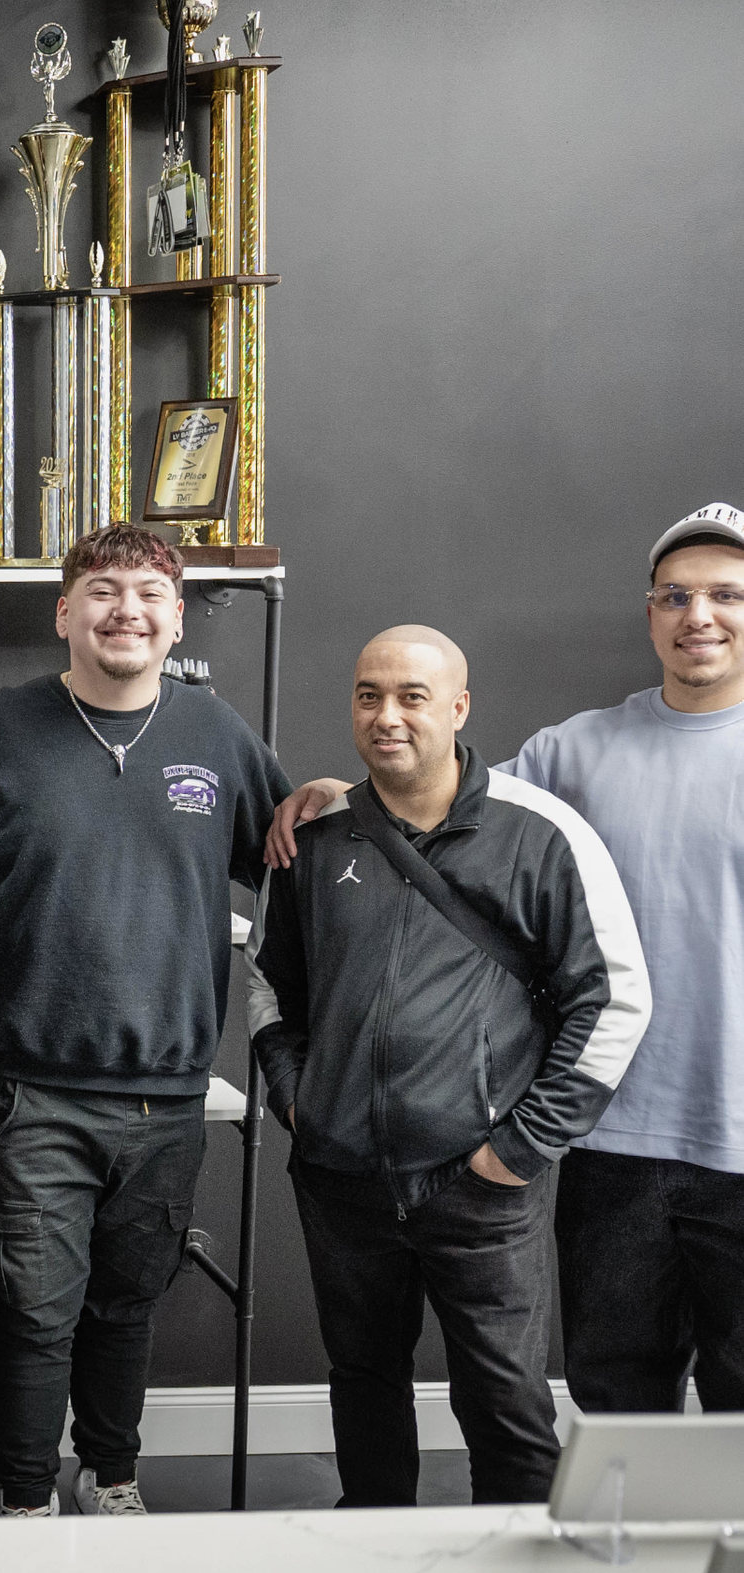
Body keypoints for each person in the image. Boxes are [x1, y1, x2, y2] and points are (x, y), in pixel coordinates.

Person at [270, 503, 744, 1414]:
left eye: (725, 594)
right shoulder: (573, 753)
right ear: (650, 611)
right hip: (611, 1142)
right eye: (677, 595)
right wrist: (340, 794)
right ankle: (624, 1564)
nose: (699, 615)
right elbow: (438, 805)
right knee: (617, 1395)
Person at [249, 625, 649, 1504]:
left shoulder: (542, 834)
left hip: (481, 1186)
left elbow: (615, 998)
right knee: (362, 1385)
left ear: (460, 707)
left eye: (411, 696)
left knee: (505, 1404)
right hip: (341, 1178)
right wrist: (298, 1102)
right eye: (368, 695)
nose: (386, 716)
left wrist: (516, 1149)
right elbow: (271, 987)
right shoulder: (318, 838)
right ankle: (371, 1540)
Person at [0, 525, 288, 1517]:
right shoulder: (0, 730)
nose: (125, 609)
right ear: (65, 612)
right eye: (101, 590)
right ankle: (22, 1504)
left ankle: (112, 1482)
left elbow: (289, 854)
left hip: (167, 1094)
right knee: (35, 1311)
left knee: (124, 1306)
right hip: (32, 1087)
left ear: (176, 616)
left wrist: (317, 800)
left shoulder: (215, 732)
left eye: (148, 592)